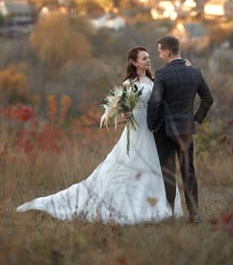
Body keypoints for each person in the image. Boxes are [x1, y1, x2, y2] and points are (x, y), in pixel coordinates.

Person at [16, 46, 183, 225]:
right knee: (130, 165)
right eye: (144, 58)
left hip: (152, 131)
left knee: (154, 167)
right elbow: (124, 106)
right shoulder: (129, 84)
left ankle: (155, 206)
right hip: (136, 130)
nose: (148, 61)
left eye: (148, 57)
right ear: (134, 62)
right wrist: (125, 112)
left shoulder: (153, 81)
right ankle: (129, 207)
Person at [147, 36, 214, 224]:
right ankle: (195, 214)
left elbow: (154, 103)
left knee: (168, 172)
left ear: (168, 52)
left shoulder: (162, 74)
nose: (159, 55)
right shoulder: (195, 72)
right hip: (186, 129)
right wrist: (196, 120)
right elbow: (208, 99)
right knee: (188, 171)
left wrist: (151, 125)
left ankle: (170, 214)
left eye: (160, 51)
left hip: (165, 131)